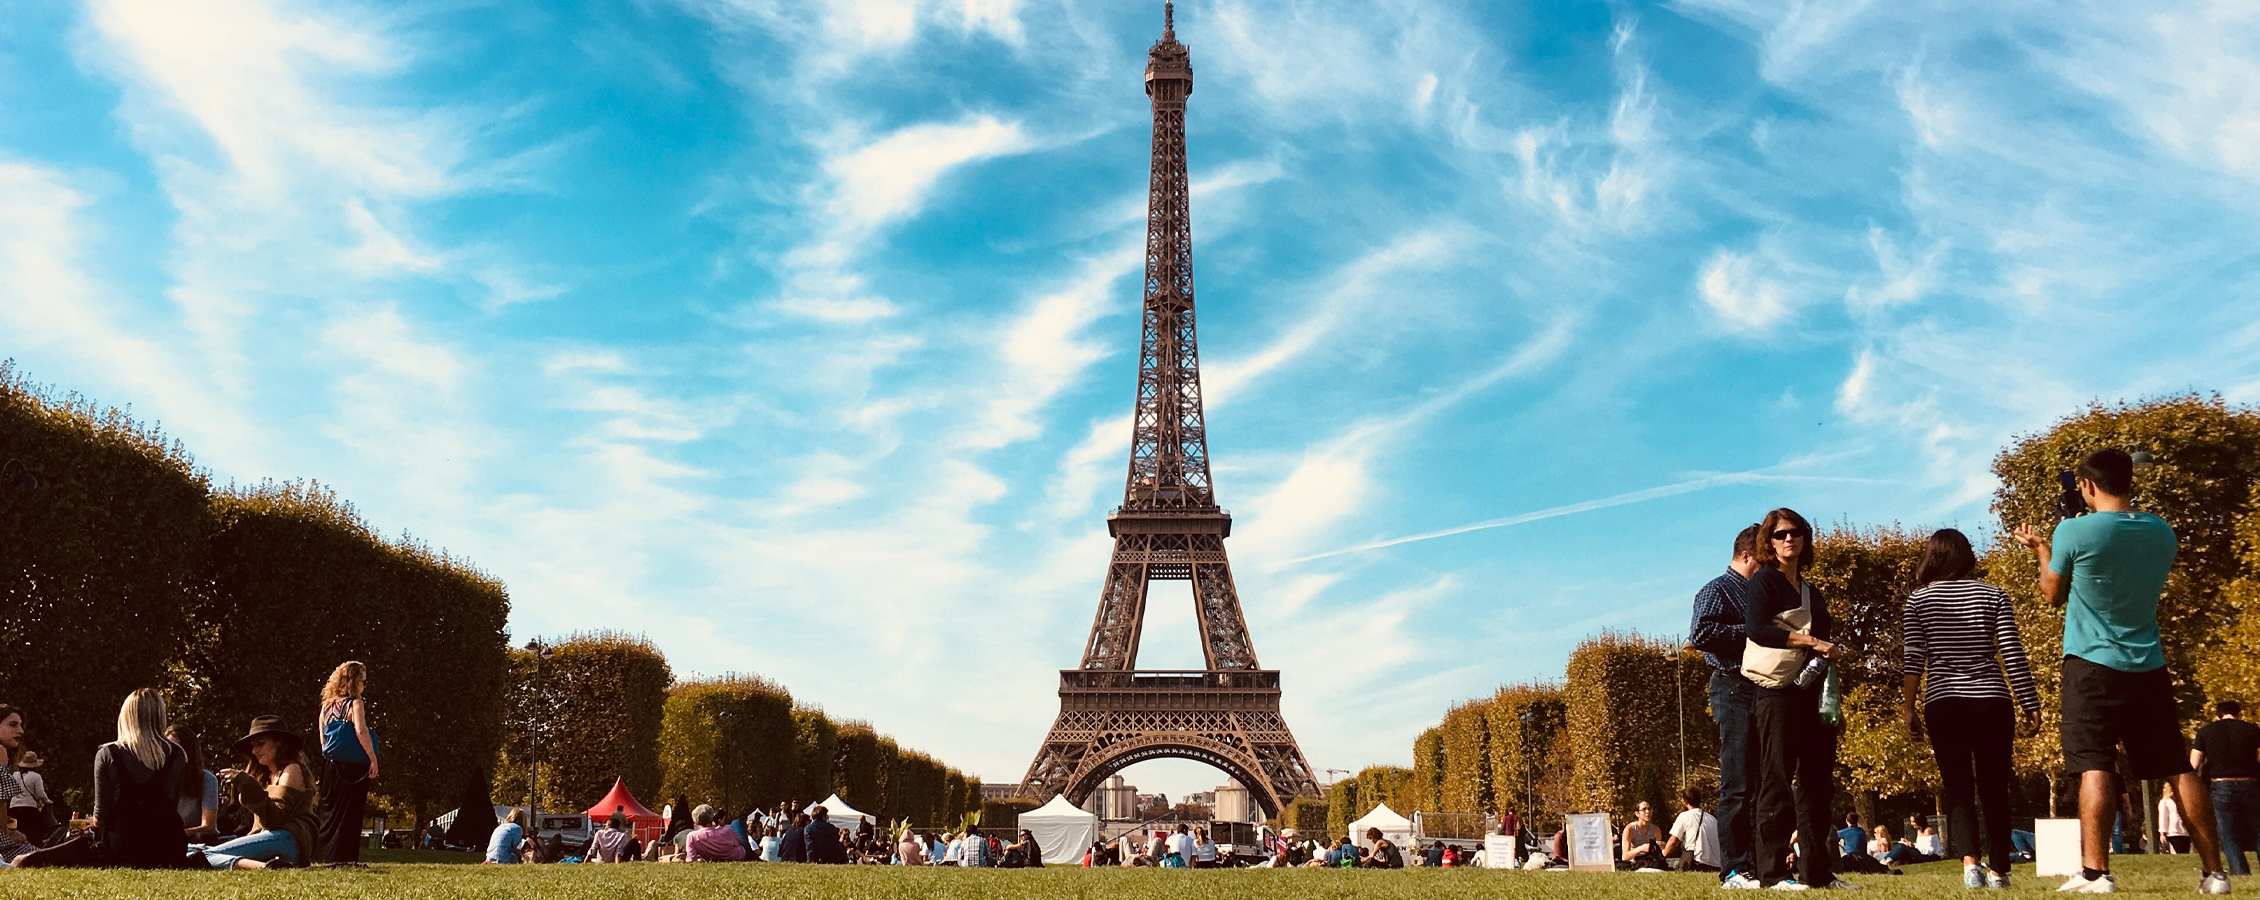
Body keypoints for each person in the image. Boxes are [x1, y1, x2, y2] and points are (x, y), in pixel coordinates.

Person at [2010, 449, 2229, 893]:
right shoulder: (2161, 531)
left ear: (2087, 486)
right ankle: (2215, 873)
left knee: (2094, 764)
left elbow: (2052, 594)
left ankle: (2096, 872)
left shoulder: (2073, 529)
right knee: (2177, 766)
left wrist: (2042, 548)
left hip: (2091, 663)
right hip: (2148, 662)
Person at [1898, 527, 2040, 889]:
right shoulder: (1994, 595)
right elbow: (2011, 651)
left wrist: (1908, 708)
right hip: (1992, 698)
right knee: (1994, 784)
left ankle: (1970, 864)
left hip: (1944, 700)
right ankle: (2000, 870)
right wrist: (2029, 701)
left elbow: (1914, 659)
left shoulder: (1919, 601)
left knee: (1957, 785)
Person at [1743, 507, 1855, 890]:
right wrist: (1807, 640)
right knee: (1776, 781)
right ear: (1769, 542)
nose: (1788, 539)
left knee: (1818, 784)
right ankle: (1772, 874)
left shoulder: (1813, 592)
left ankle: (1817, 873)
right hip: (1776, 692)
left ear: (1805, 539)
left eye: (1795, 533)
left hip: (1810, 692)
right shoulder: (1764, 584)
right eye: (1780, 534)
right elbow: (1757, 630)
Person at [13, 689, 188, 869]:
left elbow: (101, 817)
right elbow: (170, 807)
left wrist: (92, 821)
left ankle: (25, 859)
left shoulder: (108, 754)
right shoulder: (177, 755)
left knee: (74, 843)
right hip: (169, 846)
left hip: (123, 845)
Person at [1692, 524, 1766, 888]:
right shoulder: (1717, 590)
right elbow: (1701, 634)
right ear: (1747, 555)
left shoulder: (1758, 592)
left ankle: (1755, 864)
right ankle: (1734, 868)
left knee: (1759, 782)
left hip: (1759, 686)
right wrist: (1752, 630)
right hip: (1732, 684)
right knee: (1736, 782)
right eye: (1763, 561)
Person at [200, 716, 317, 869]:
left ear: (279, 743)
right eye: (252, 747)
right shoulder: (266, 775)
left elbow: (275, 818)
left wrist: (247, 784)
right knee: (192, 850)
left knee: (202, 856)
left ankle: (263, 867)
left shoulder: (291, 770)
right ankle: (267, 866)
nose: (255, 751)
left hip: (287, 839)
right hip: (270, 837)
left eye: (261, 744)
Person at [313, 661, 380, 864]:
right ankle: (346, 856)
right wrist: (373, 758)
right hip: (353, 766)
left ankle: (324, 854)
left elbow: (323, 738)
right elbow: (361, 731)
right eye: (363, 681)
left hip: (331, 765)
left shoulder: (327, 706)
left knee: (329, 812)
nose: (364, 686)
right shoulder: (355, 704)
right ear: (354, 682)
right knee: (350, 813)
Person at [2196, 700, 2260, 875]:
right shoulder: (2252, 729)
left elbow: (2194, 762)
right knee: (2258, 828)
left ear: (2218, 715)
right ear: (2239, 713)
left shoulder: (2206, 731)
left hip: (2220, 784)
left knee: (2228, 833)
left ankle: (2240, 871)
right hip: (2250, 783)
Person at [167, 727, 220, 841]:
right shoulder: (161, 779)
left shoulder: (207, 779)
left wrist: (176, 834)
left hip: (198, 840)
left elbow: (208, 827)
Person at [1664, 787, 1722, 873]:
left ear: (1685, 802)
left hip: (1697, 863)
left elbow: (1673, 840)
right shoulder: (1712, 819)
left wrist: (1663, 855)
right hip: (1716, 865)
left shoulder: (1685, 816)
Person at [680, 805, 745, 862]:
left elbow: (691, 858)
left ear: (695, 822)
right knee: (736, 822)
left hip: (712, 858)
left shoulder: (692, 836)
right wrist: (724, 826)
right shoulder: (726, 830)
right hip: (737, 856)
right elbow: (738, 841)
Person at [1622, 800, 1668, 870]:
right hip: (1635, 863)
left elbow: (1660, 853)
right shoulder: (1630, 829)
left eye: (1649, 809)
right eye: (1644, 809)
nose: (1647, 812)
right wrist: (1640, 849)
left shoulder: (1656, 829)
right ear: (1637, 813)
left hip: (1651, 861)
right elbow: (1625, 856)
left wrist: (1663, 846)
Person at [2163, 790, 2193, 854]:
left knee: (2186, 852)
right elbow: (2163, 817)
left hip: (2185, 831)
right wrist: (2162, 833)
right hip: (2173, 832)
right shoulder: (2165, 801)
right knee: (2179, 851)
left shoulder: (2184, 800)